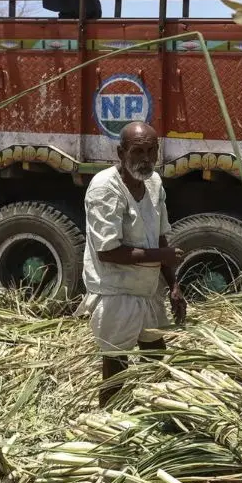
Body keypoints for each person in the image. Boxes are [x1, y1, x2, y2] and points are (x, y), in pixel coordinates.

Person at [78, 122, 187, 407]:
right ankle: (109, 423)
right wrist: (161, 258)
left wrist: (173, 283)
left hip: (146, 290)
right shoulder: (105, 188)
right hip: (116, 292)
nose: (146, 159)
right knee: (116, 368)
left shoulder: (154, 183)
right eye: (138, 151)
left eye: (152, 151)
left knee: (157, 359)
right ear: (121, 152)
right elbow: (108, 252)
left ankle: (162, 414)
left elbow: (160, 236)